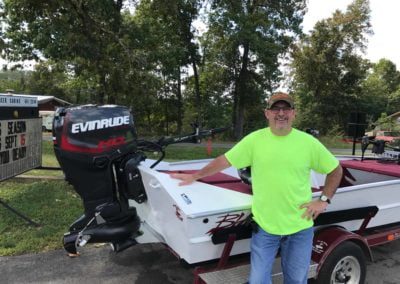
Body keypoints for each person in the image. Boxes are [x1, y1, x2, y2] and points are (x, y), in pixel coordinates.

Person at [170, 92, 343, 284]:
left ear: (294, 113)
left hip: (300, 227)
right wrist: (195, 176)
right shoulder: (254, 140)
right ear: (266, 113)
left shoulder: (308, 143)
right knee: (258, 281)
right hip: (265, 227)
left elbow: (335, 170)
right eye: (275, 109)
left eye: (286, 109)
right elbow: (223, 161)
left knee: (296, 280)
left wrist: (323, 200)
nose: (281, 113)